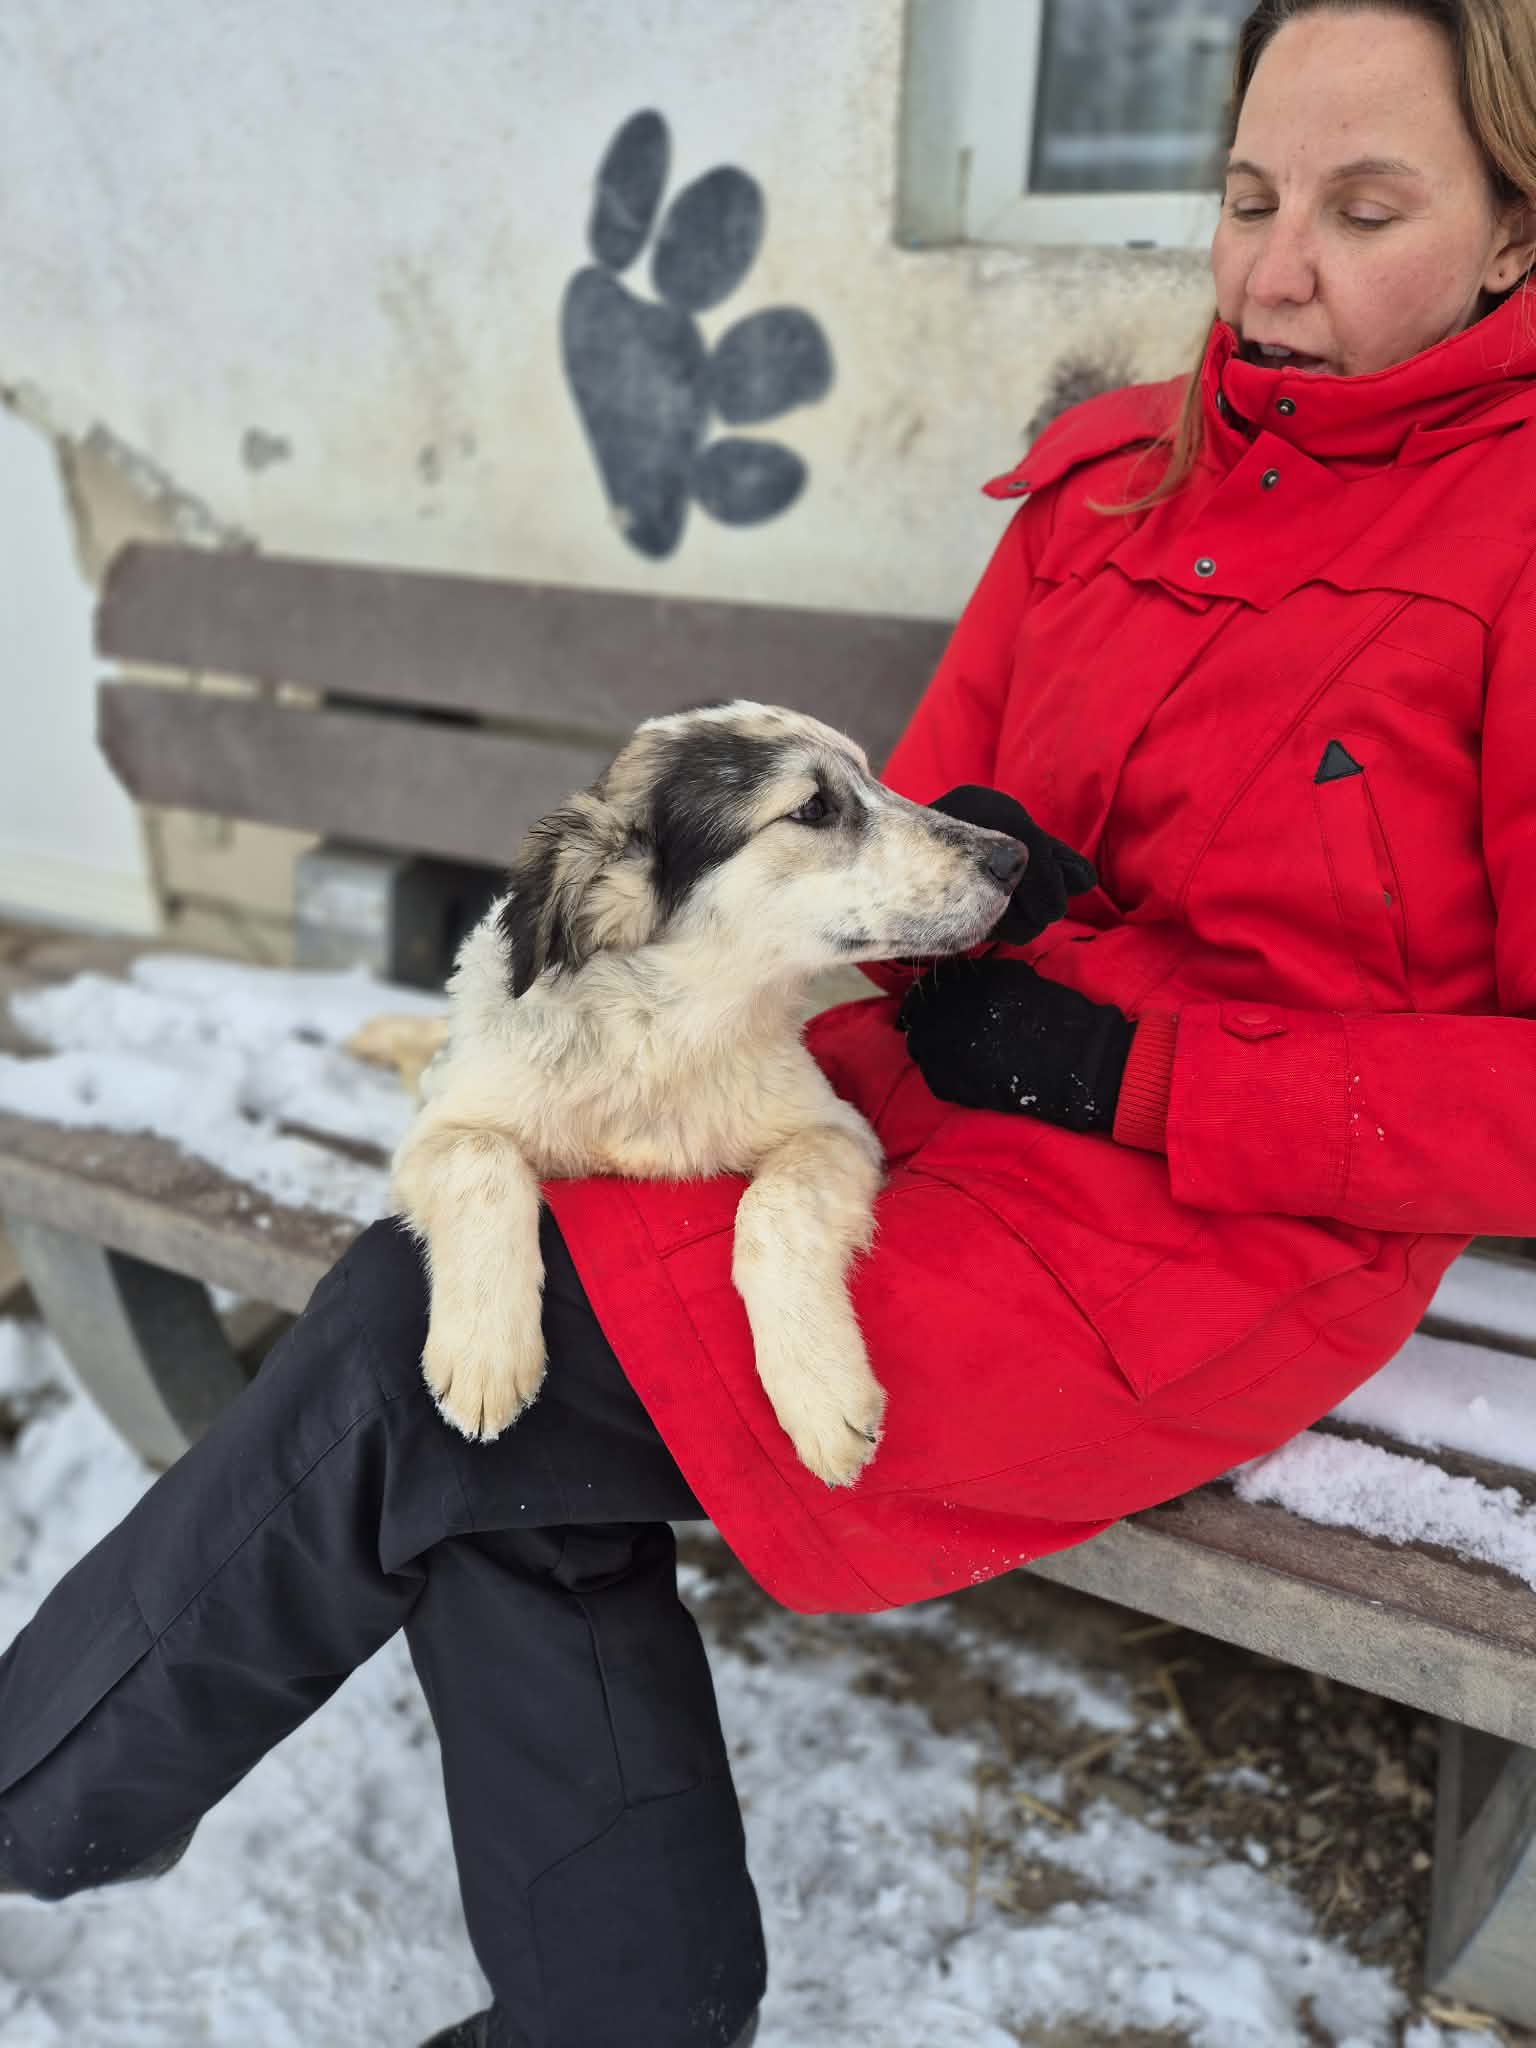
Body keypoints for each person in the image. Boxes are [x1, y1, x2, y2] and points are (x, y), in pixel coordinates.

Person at [6, 2, 1536, 2041]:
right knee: (479, 1389)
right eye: (1250, 198)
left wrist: (1141, 1066)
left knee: (417, 1361)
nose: (1273, 273)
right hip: (909, 1115)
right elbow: (905, 849)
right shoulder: (1108, 487)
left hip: (1208, 1235)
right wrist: (974, 885)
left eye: (1366, 210)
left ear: (1514, 230)